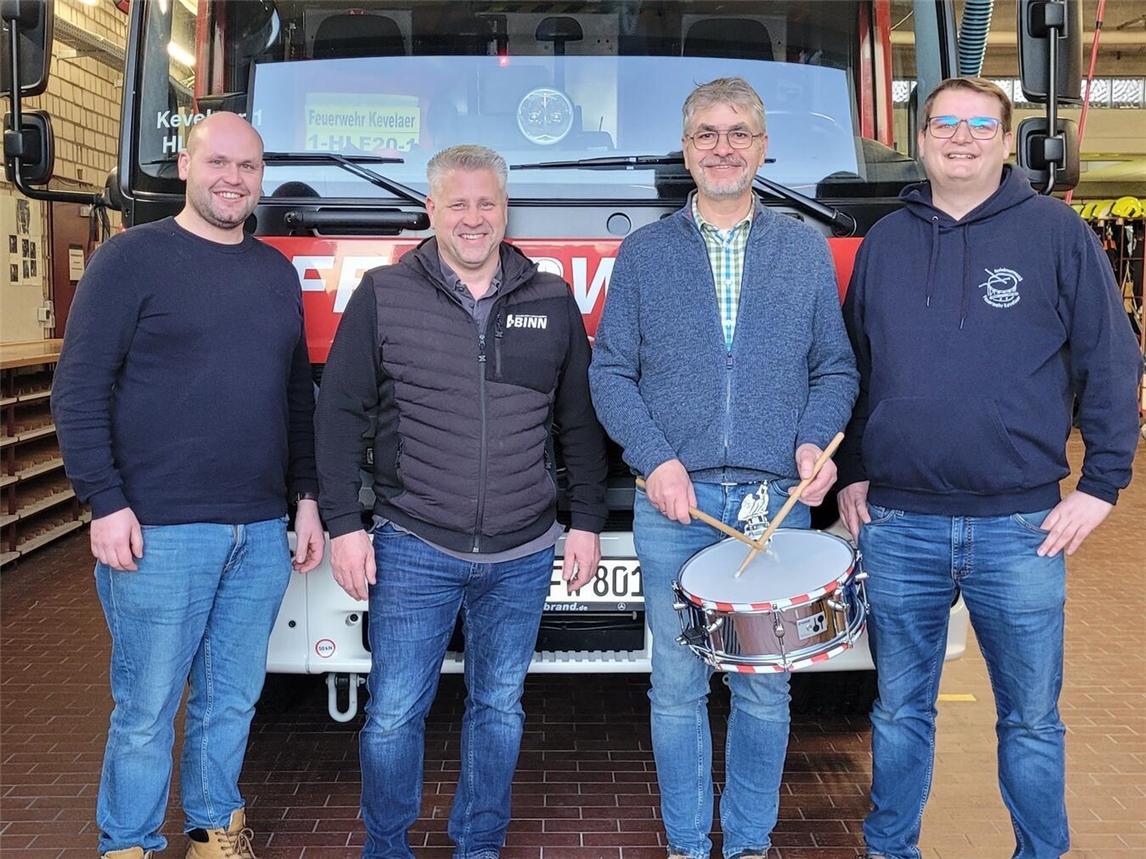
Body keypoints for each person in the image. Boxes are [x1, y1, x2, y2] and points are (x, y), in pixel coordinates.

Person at [835, 77, 1143, 859]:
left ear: (1008, 142)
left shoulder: (1057, 233)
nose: (962, 137)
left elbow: (1113, 361)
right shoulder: (886, 242)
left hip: (1021, 529)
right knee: (900, 713)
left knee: (1032, 718)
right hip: (900, 527)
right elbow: (856, 369)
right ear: (921, 137)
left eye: (981, 124)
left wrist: (1104, 483)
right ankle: (889, 848)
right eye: (946, 123)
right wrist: (856, 470)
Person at [588, 77, 859, 859]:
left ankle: (746, 844)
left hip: (774, 506)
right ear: (686, 150)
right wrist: (657, 459)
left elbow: (834, 368)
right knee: (675, 688)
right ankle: (683, 843)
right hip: (676, 506)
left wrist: (813, 443)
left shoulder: (804, 249)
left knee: (764, 690)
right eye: (707, 133)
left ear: (762, 147)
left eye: (739, 132)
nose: (723, 147)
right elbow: (611, 373)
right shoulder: (644, 253)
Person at [314, 144, 608, 859]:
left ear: (505, 210)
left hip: (524, 549)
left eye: (487, 204)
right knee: (391, 714)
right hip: (415, 542)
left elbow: (579, 419)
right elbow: (340, 416)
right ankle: (386, 845)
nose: (474, 219)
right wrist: (345, 526)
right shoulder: (382, 295)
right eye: (458, 204)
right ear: (432, 210)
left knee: (498, 707)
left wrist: (588, 522)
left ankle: (478, 843)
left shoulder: (551, 298)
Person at [51, 112, 325, 859]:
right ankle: (129, 844)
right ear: (186, 167)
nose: (234, 179)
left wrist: (305, 498)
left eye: (248, 167)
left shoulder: (274, 272)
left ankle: (213, 827)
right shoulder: (131, 259)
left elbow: (295, 396)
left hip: (261, 532)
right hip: (158, 530)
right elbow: (77, 390)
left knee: (231, 699)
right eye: (220, 163)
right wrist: (102, 500)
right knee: (146, 708)